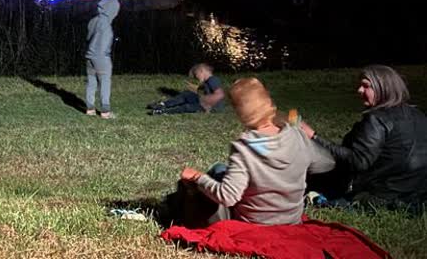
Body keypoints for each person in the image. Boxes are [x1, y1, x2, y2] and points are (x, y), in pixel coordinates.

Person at [177, 78, 334, 225]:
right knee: (219, 169)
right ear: (267, 101)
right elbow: (326, 163)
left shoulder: (245, 148)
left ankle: (173, 209)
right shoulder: (297, 135)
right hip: (292, 220)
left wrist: (197, 177)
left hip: (254, 223)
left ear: (241, 112)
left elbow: (228, 196)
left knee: (202, 183)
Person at [301, 65, 427, 208]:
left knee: (311, 175)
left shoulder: (377, 119)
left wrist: (314, 136)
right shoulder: (418, 114)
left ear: (383, 88)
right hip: (417, 194)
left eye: (366, 86)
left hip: (383, 195)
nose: (359, 90)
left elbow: (358, 161)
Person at [84, 0, 119, 118]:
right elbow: (106, 42)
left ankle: (90, 109)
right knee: (105, 82)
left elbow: (88, 38)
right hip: (101, 57)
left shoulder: (93, 21)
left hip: (89, 56)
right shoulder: (106, 25)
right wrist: (105, 54)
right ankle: (105, 111)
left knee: (91, 82)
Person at [148, 63, 225, 115]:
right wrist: (194, 87)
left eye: (196, 74)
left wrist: (208, 106)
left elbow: (220, 94)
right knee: (187, 95)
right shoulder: (208, 81)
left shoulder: (213, 80)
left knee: (187, 107)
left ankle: (163, 112)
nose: (196, 77)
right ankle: (162, 105)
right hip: (205, 104)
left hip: (212, 108)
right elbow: (202, 89)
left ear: (202, 71)